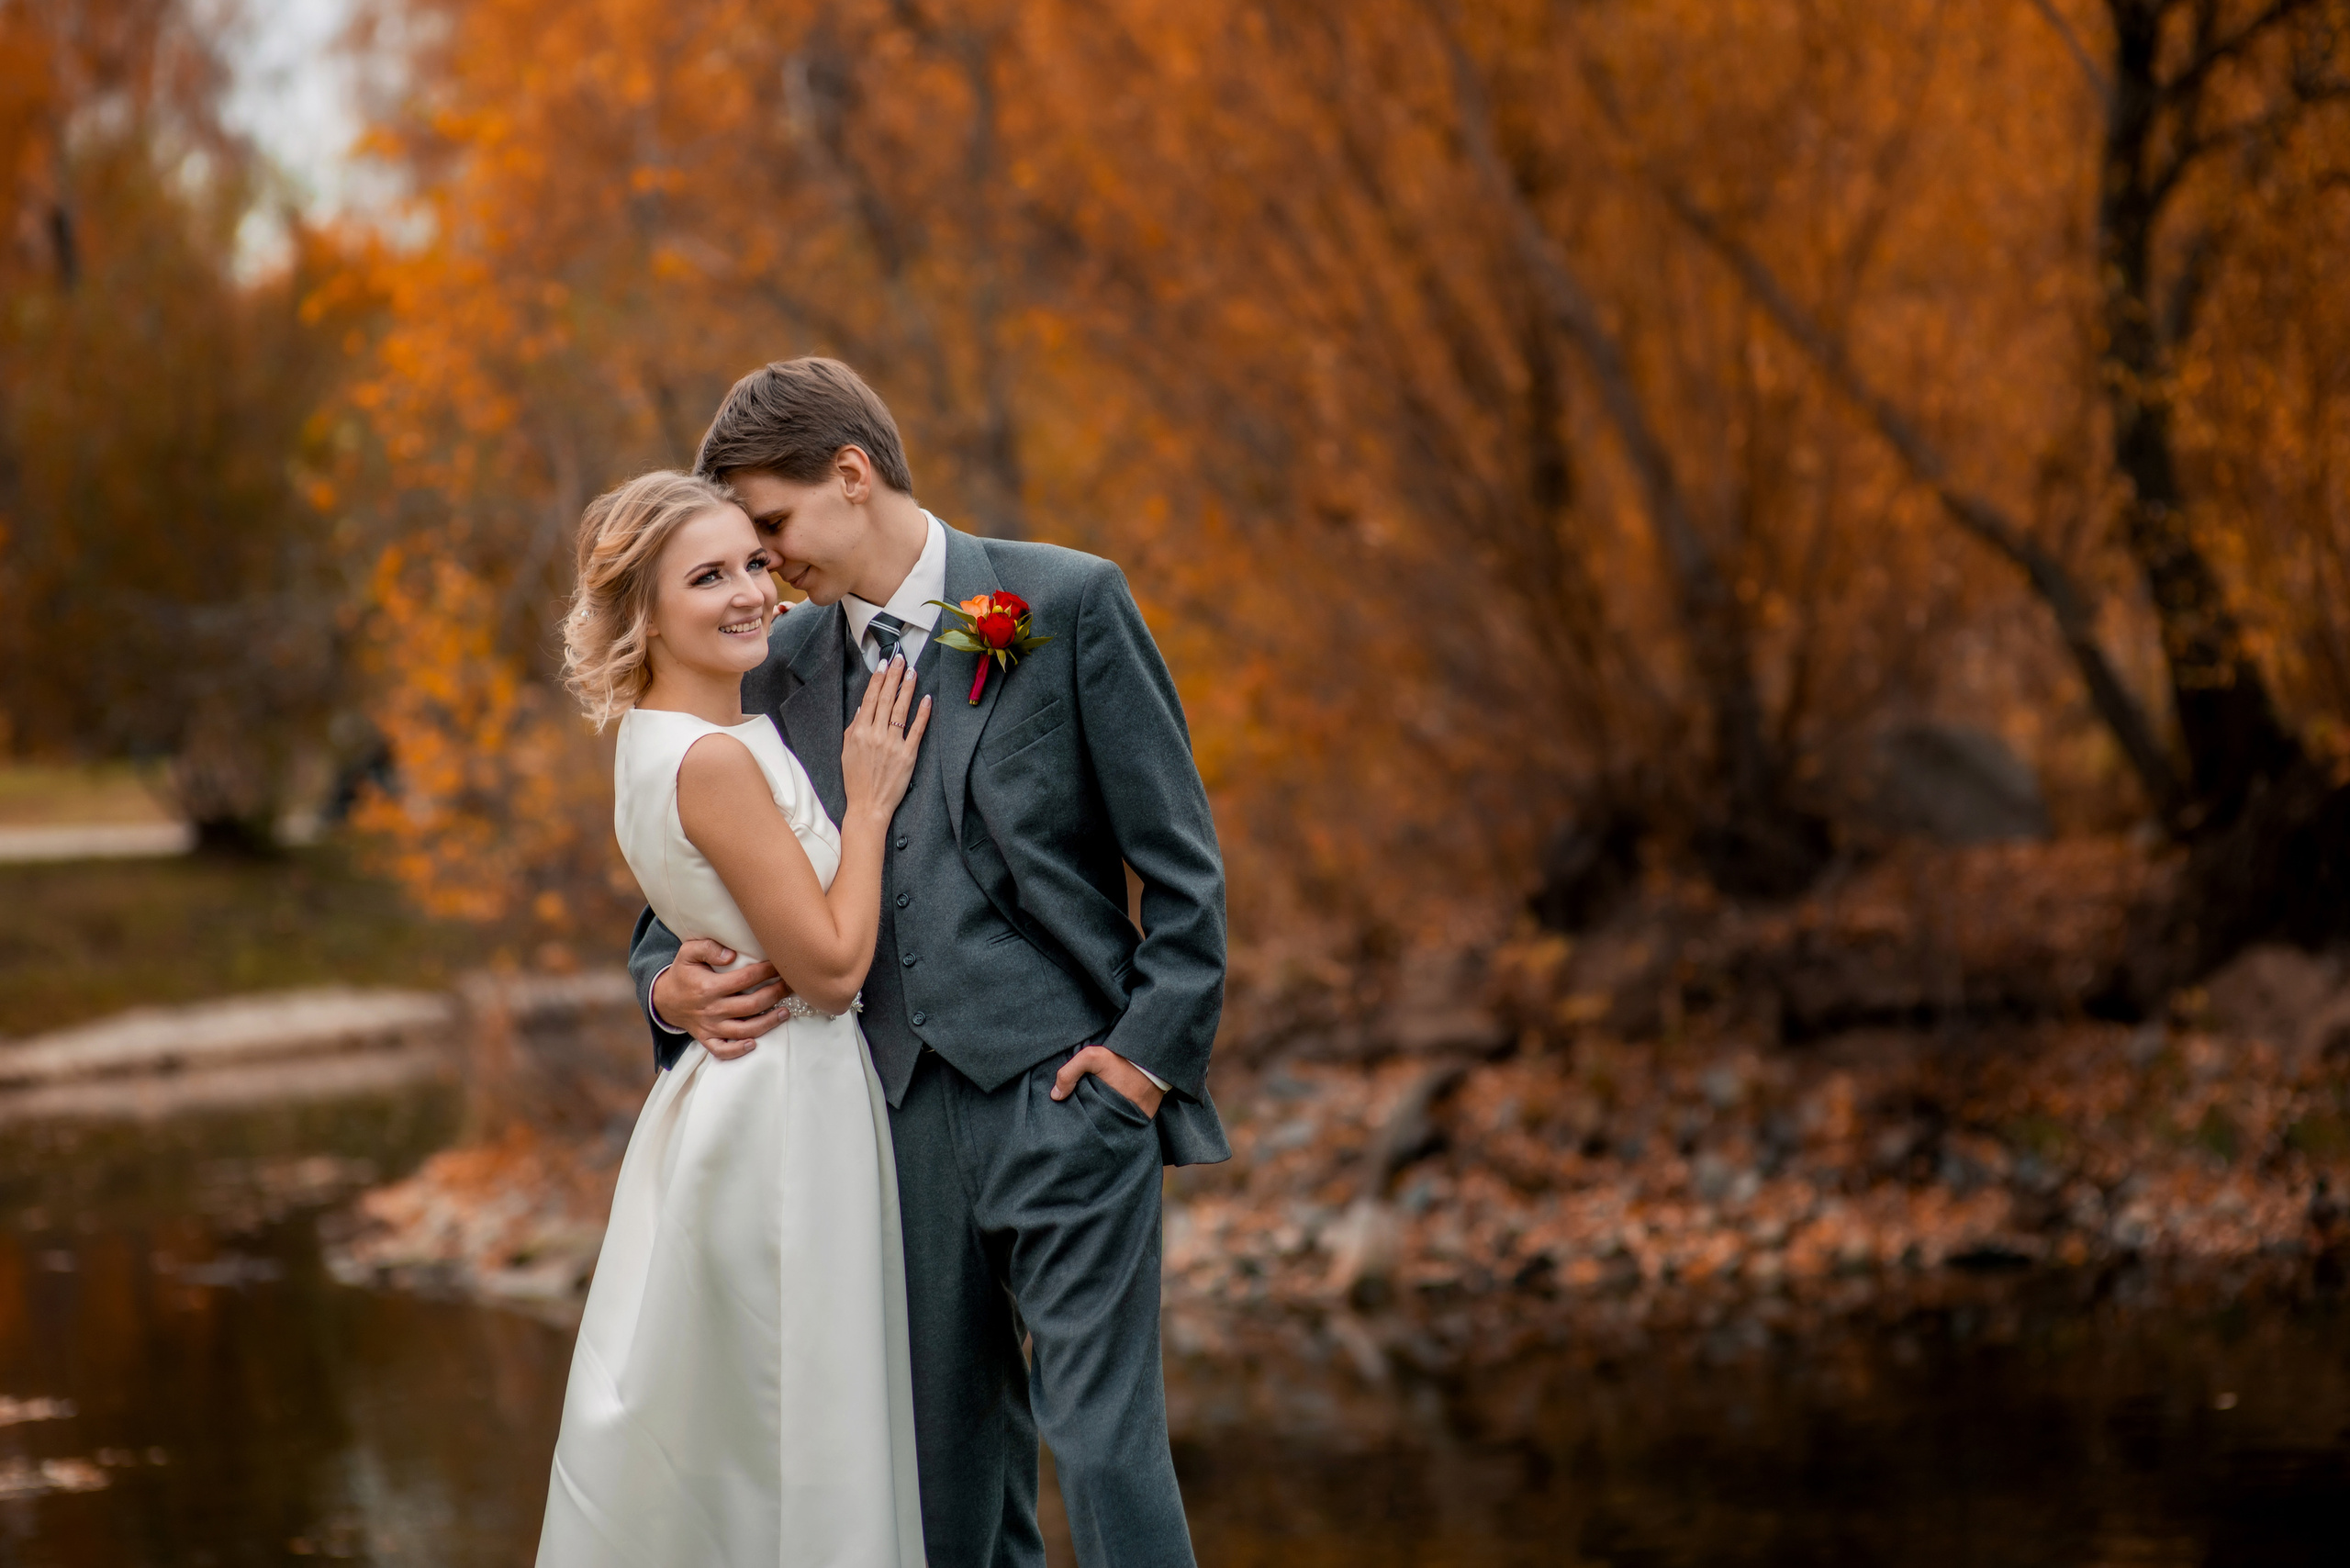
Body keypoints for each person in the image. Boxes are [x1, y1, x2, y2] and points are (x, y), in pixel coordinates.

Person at [632, 357, 1230, 1568]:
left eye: (771, 527)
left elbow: (1184, 871)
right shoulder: (780, 666)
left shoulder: (1061, 607)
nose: (762, 567)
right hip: (875, 1124)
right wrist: (664, 983)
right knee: (943, 1481)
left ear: (851, 475)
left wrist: (1139, 1072)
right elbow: (689, 880)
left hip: (1066, 1099)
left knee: (1107, 1452)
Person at [538, 469, 934, 1566]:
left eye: (753, 562)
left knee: (753, 1429)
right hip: (784, 1108)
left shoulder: (669, 734)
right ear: (644, 610)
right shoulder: (710, 758)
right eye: (706, 576)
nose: (752, 591)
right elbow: (833, 968)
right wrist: (869, 799)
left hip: (753, 1094)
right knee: (796, 1419)